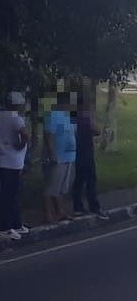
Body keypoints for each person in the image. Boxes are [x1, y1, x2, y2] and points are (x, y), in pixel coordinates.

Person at [70, 92, 109, 219]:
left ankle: (77, 206)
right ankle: (94, 205)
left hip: (76, 151)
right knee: (90, 179)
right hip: (86, 151)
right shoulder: (85, 117)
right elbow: (96, 130)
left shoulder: (73, 117)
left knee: (79, 179)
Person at [0, 91, 31, 240]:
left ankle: (15, 223)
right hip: (13, 162)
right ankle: (6, 227)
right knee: (10, 196)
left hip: (3, 160)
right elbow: (25, 134)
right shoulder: (15, 118)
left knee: (8, 195)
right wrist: (21, 144)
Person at [43, 91, 76, 223]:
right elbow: (49, 135)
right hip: (58, 157)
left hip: (69, 157)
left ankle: (60, 211)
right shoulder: (53, 115)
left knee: (62, 188)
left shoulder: (67, 116)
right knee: (52, 187)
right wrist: (52, 154)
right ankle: (49, 214)